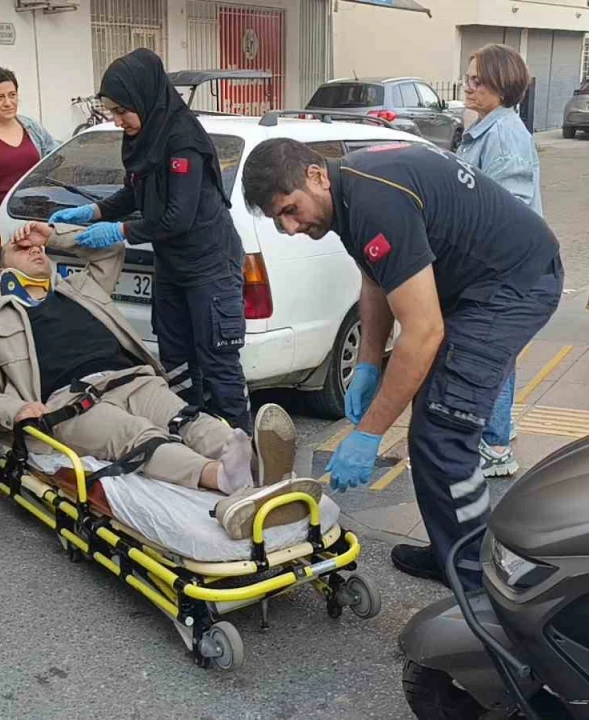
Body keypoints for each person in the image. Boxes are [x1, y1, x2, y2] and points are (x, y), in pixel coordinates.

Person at [241, 139, 562, 590]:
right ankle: (452, 549)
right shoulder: (348, 192)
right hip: (480, 284)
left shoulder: (375, 199)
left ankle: (476, 577)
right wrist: (368, 365)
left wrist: (370, 432)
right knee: (430, 420)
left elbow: (424, 331)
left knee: (445, 428)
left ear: (315, 175)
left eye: (291, 210)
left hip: (513, 286)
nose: (291, 227)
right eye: (280, 221)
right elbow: (376, 279)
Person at [0, 221, 310, 539]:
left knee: (188, 419)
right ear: (2, 271)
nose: (35, 249)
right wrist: (16, 410)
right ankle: (222, 477)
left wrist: (51, 235)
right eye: (22, 248)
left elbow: (110, 249)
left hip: (132, 379)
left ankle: (256, 467)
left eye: (38, 248)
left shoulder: (81, 288)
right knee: (142, 437)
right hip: (71, 404)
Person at [46, 49, 251, 433]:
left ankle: (242, 451)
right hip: (172, 266)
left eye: (122, 111)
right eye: (111, 111)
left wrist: (120, 232)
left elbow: (178, 217)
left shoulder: (183, 140)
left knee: (217, 365)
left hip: (209, 266)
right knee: (176, 363)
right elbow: (134, 193)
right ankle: (192, 439)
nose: (117, 120)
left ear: (144, 97)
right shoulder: (143, 139)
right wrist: (94, 212)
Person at [457, 43, 544, 480]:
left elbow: (509, 212)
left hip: (502, 270)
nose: (468, 86)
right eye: (468, 78)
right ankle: (495, 433)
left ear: (502, 84)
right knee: (494, 353)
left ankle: (494, 445)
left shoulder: (504, 134)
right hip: (496, 269)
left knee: (492, 354)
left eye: (478, 80)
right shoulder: (486, 129)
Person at [0, 67, 59, 290]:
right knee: (3, 291)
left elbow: (55, 157)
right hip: (0, 227)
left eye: (12, 95)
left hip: (37, 222)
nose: (8, 103)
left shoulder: (31, 127)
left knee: (41, 287)